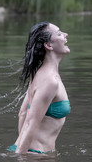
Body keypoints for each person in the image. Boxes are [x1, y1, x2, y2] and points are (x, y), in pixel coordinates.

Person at [8, 21, 71, 154]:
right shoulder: (50, 81)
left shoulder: (38, 74)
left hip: (29, 150)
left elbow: (23, 113)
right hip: (35, 155)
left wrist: (19, 146)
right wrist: (22, 156)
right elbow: (30, 121)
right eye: (59, 34)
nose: (65, 35)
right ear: (48, 45)